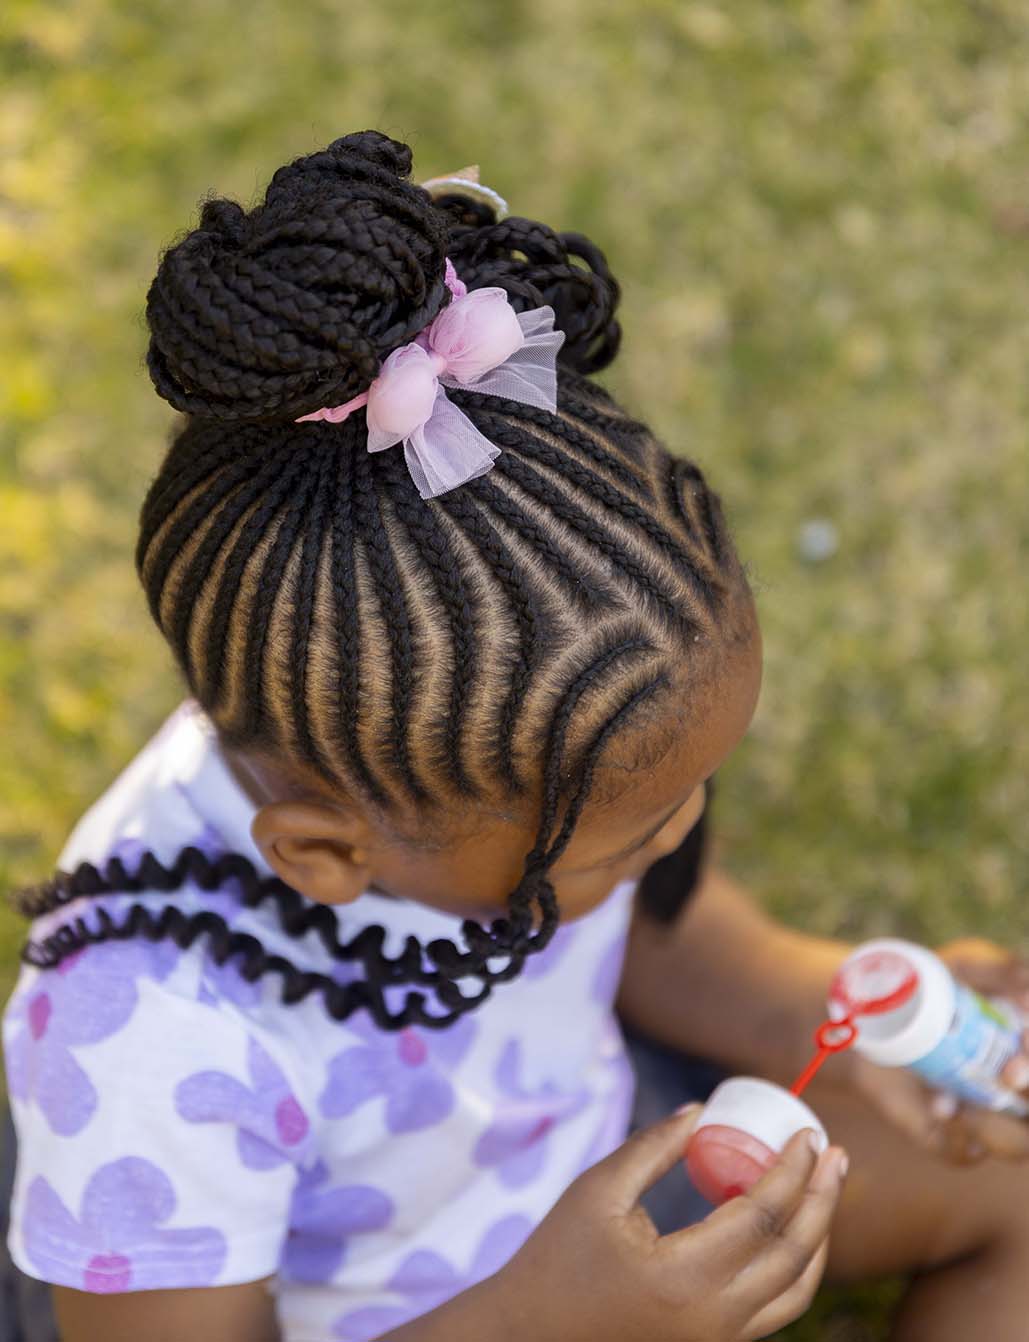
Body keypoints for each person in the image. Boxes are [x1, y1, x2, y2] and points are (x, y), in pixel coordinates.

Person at [3, 130, 1029, 1342]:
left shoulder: (461, 763)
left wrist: (835, 1021)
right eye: (629, 839)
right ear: (328, 856)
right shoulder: (152, 1045)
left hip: (582, 1165)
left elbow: (664, 933)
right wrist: (550, 1320)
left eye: (685, 797)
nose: (683, 837)